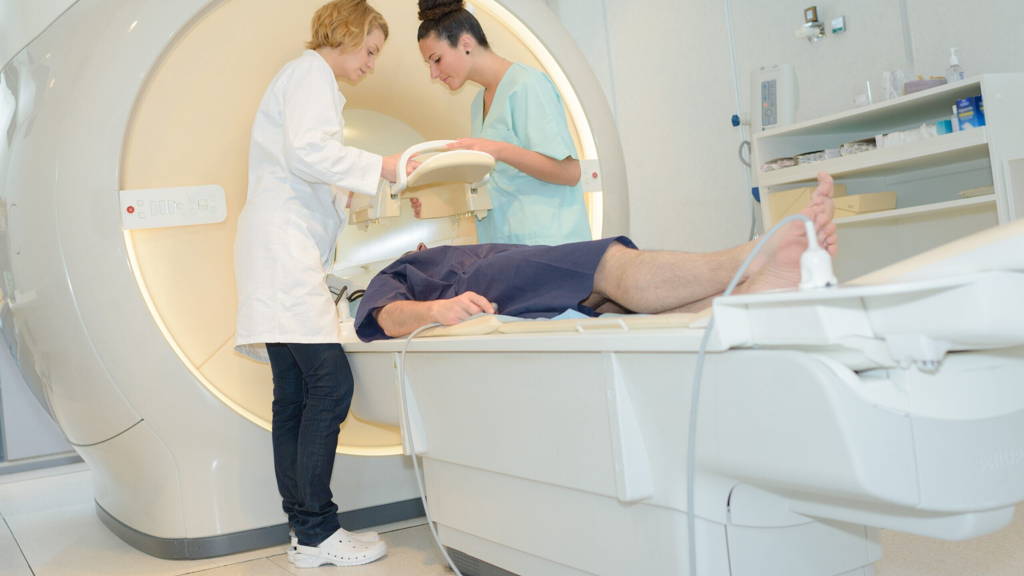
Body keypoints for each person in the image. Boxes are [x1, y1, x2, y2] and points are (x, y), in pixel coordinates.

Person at [233, 0, 407, 568]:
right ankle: (317, 531)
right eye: (370, 50)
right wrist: (382, 166)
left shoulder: (302, 79)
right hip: (283, 254)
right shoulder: (311, 74)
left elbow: (307, 166)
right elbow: (308, 152)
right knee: (329, 387)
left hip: (276, 251)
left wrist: (361, 189)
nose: (372, 63)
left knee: (295, 395)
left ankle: (304, 531)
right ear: (347, 33)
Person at [356, 173, 838, 341]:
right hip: (481, 286)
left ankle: (752, 290)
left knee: (628, 309)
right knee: (609, 268)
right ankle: (751, 258)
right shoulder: (407, 269)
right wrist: (437, 310)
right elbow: (385, 315)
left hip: (507, 287)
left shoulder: (450, 255)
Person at [412, 0, 591, 246]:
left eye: (437, 59)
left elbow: (570, 173)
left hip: (549, 245)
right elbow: (501, 184)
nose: (433, 73)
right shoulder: (478, 103)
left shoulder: (526, 85)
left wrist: (499, 150)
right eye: (429, 64)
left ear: (466, 44)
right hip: (503, 245)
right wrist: (438, 200)